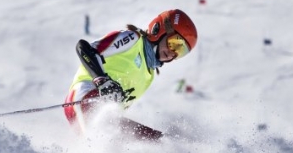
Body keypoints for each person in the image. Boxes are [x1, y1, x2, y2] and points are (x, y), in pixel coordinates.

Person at [64, 9, 197, 140]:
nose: (173, 53)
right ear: (159, 30)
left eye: (180, 51)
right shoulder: (133, 39)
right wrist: (102, 80)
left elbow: (117, 111)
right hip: (84, 96)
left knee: (159, 142)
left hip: (105, 115)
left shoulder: (149, 75)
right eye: (174, 44)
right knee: (106, 131)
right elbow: (83, 48)